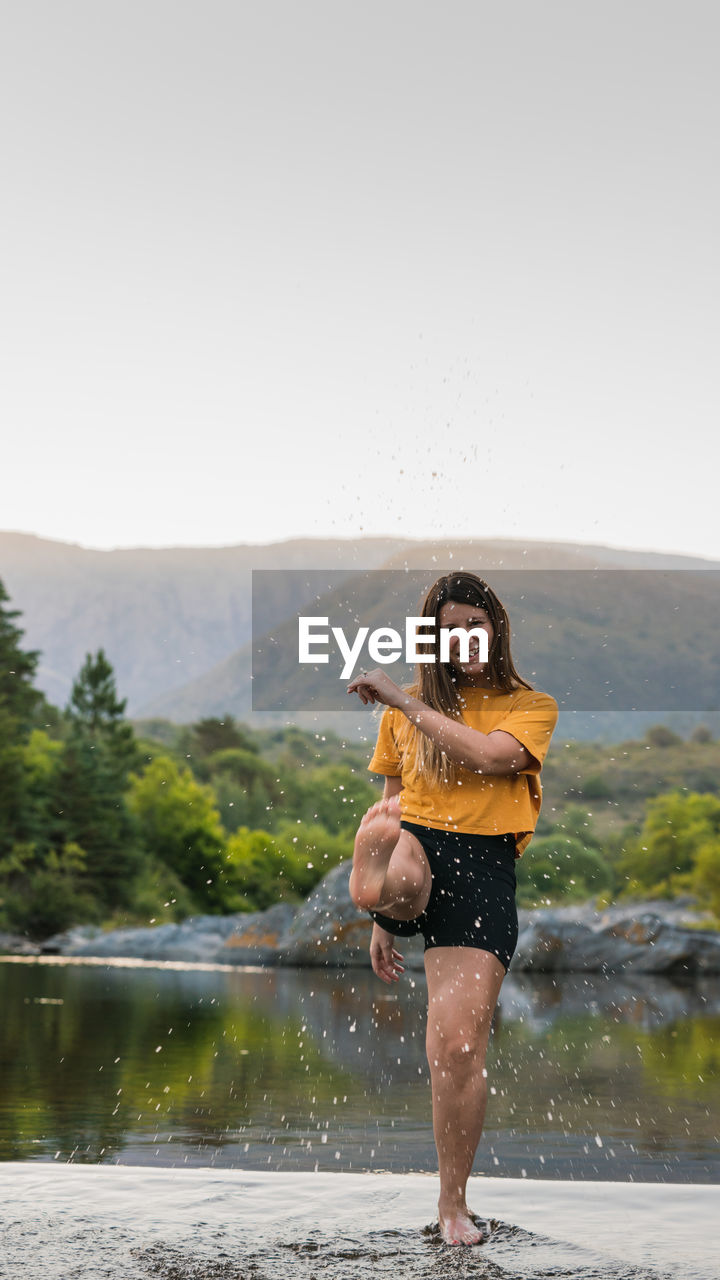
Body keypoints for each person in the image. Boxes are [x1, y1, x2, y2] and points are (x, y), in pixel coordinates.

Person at [346, 572, 558, 1246]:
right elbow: (393, 791)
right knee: (394, 824)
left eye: (475, 623)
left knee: (459, 1046)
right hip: (417, 846)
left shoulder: (530, 706)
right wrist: (385, 924)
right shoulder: (399, 715)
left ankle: (452, 1205)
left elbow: (495, 759)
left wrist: (407, 706)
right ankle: (378, 881)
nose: (464, 636)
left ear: (495, 629)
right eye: (449, 627)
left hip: (484, 871)